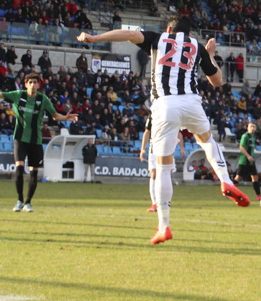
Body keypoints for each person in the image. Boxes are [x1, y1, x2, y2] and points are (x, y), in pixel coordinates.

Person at [77, 15, 248, 246]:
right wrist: (208, 55)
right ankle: (226, 179)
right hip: (191, 102)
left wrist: (94, 37)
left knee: (164, 167)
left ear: (169, 28)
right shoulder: (196, 46)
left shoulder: (158, 39)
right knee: (207, 140)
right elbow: (217, 81)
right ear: (188, 33)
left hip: (165, 105)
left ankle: (164, 226)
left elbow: (127, 34)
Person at [0, 72, 78, 212]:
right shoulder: (17, 95)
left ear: (38, 85)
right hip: (20, 139)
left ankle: (28, 202)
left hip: (35, 141)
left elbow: (55, 116)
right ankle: (19, 200)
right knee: (19, 169)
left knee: (33, 173)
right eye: (30, 82)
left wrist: (65, 118)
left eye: (35, 82)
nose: (32, 85)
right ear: (25, 84)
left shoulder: (42, 99)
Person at [140, 115, 184, 212]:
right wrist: (143, 149)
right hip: (154, 149)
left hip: (168, 148)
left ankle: (165, 202)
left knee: (165, 175)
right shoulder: (153, 116)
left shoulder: (173, 114)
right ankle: (154, 203)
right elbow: (147, 132)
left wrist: (182, 148)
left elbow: (179, 133)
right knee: (153, 174)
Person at [234, 122, 261, 200]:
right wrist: (248, 156)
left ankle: (258, 196)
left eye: (254, 126)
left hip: (251, 161)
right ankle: (230, 193)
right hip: (244, 161)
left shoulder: (253, 137)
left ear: (256, 128)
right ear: (247, 128)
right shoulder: (245, 136)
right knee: (238, 178)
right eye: (251, 126)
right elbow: (241, 147)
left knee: (255, 178)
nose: (252, 128)